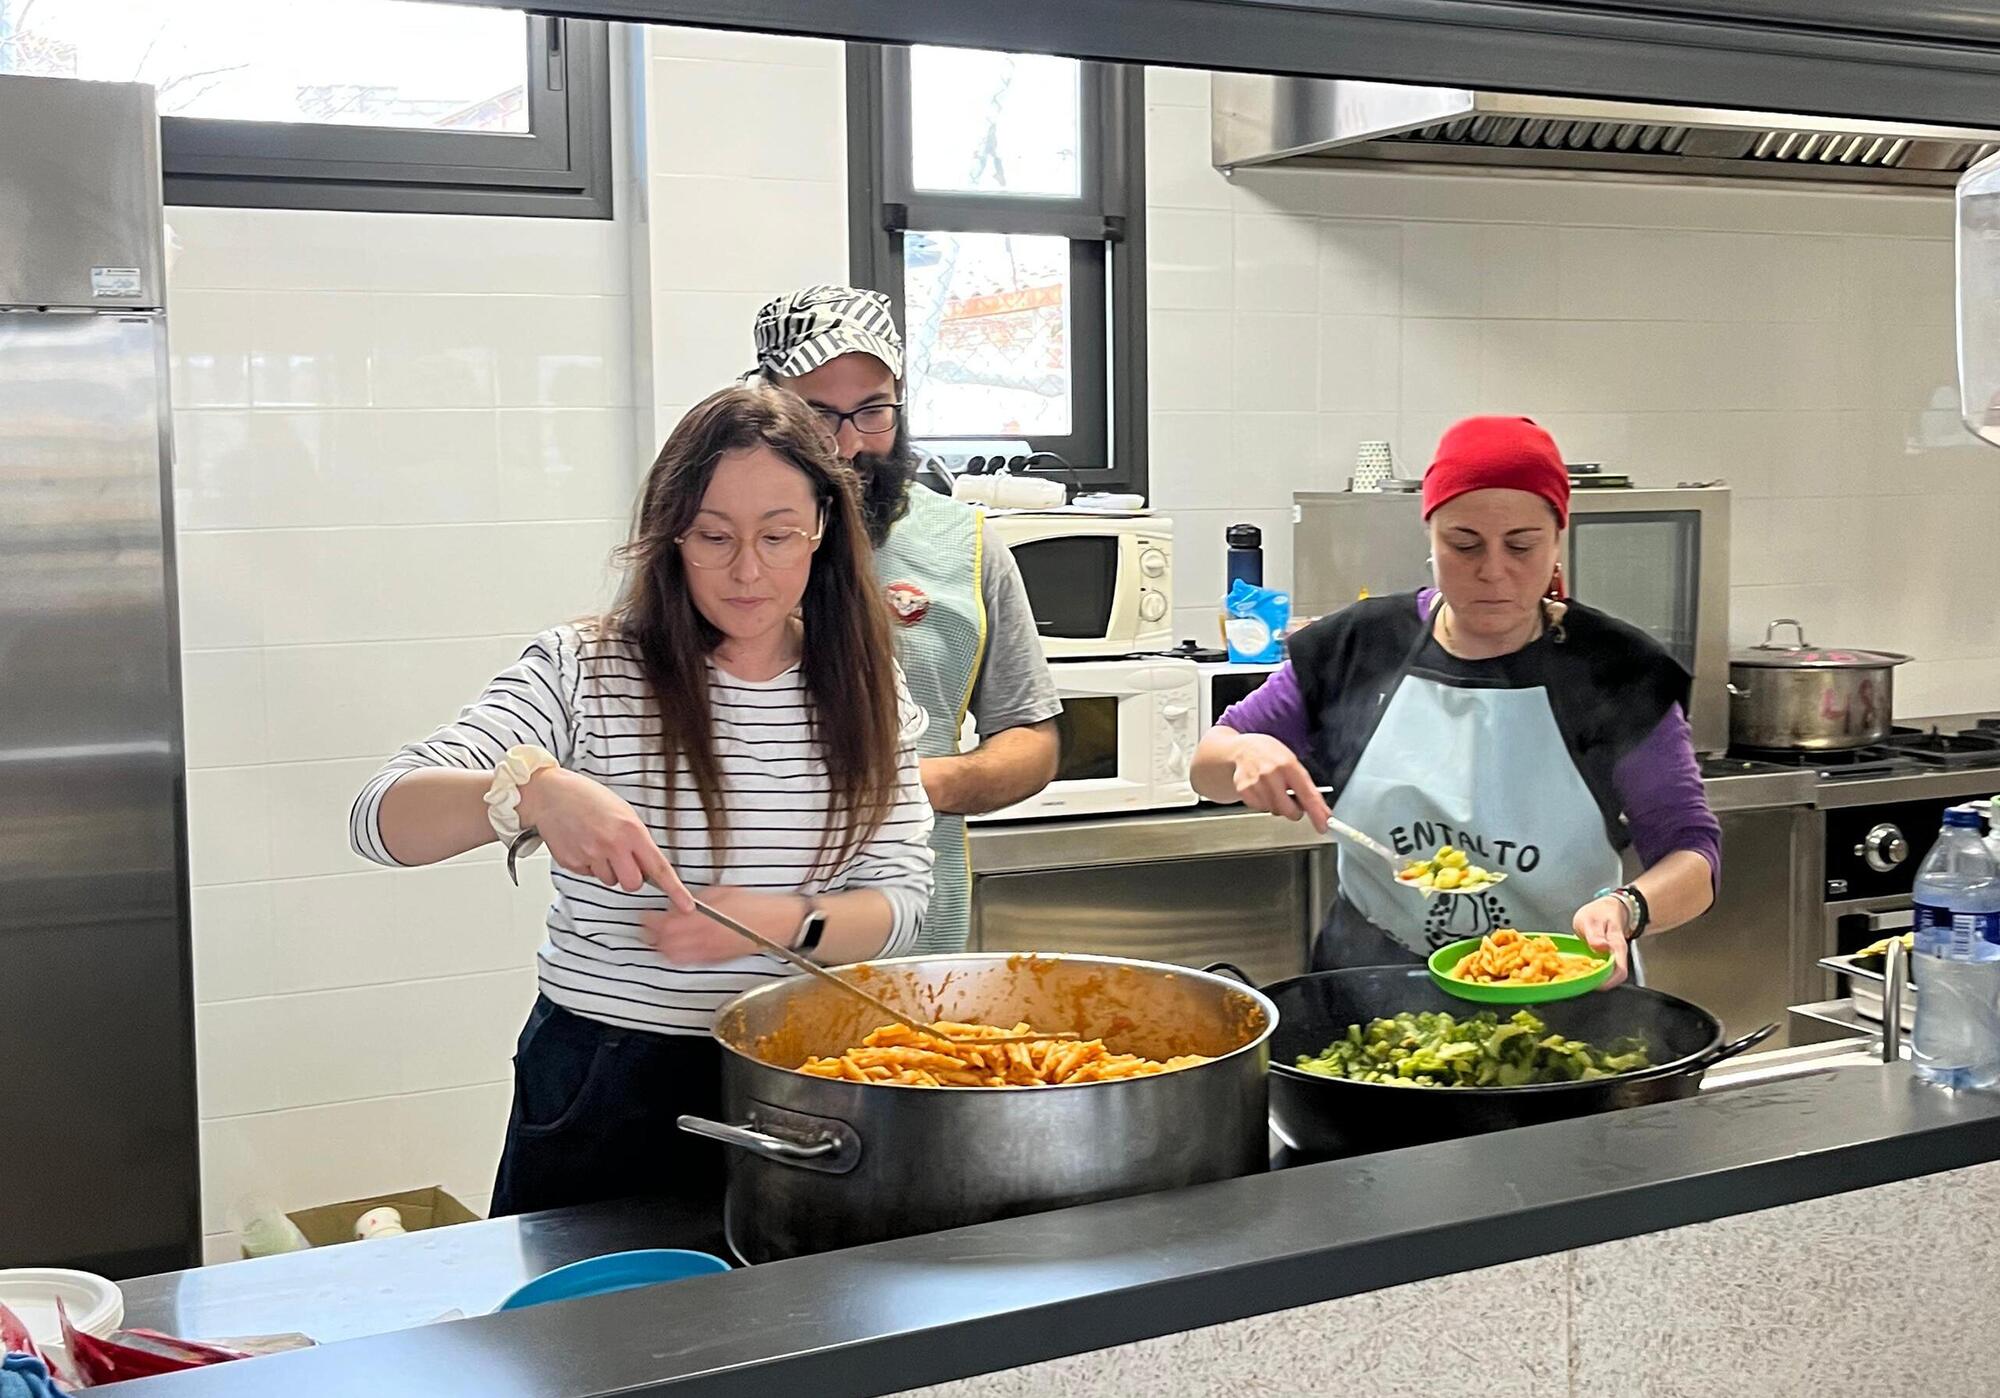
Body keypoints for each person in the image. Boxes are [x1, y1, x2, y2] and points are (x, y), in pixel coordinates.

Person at [348, 385, 935, 1216]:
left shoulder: (865, 688)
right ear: (670, 537)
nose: (747, 570)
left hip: (802, 1078)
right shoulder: (586, 667)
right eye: (713, 537)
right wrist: (530, 792)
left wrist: (781, 920)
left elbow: (904, 899)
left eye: (777, 537)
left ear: (822, 533)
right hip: (605, 1077)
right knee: (577, 1333)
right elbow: (380, 818)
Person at [1190, 416, 1719, 985]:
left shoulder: (1617, 670)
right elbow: (1207, 769)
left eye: (1521, 545)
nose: (1493, 571)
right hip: (1374, 992)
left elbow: (1693, 855)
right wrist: (1244, 754)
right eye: (1463, 544)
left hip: (1563, 991)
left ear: (1558, 541)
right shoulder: (1357, 647)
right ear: (1430, 537)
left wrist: (1627, 908)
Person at [747, 284, 1061, 954]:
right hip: (732, 946)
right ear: (763, 404)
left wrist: (923, 785)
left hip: (915, 942)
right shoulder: (712, 544)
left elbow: (1031, 740)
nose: (849, 444)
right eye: (816, 415)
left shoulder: (967, 545)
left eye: (874, 411)